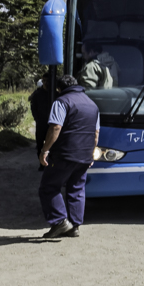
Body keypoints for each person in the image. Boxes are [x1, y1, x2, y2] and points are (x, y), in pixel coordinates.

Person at [38, 74, 100, 238]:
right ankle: (74, 226)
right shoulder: (93, 105)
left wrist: (45, 150)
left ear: (59, 88)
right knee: (77, 188)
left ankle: (59, 222)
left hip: (64, 154)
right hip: (85, 155)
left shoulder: (61, 102)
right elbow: (96, 133)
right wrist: (91, 153)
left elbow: (55, 128)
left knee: (49, 187)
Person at [28, 71, 53, 171]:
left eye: (48, 81)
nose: (46, 83)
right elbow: (33, 107)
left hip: (52, 124)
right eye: (44, 81)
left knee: (52, 144)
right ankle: (42, 164)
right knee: (39, 145)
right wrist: (37, 118)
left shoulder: (54, 94)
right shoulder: (37, 94)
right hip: (41, 123)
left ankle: (51, 163)